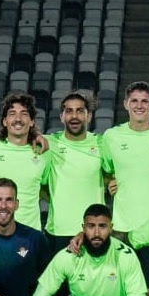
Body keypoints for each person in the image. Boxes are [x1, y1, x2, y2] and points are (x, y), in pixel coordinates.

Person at [100, 81, 149, 277]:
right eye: (134, 101)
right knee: (123, 292)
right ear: (125, 104)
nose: (139, 106)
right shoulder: (111, 137)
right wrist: (109, 181)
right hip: (122, 230)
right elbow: (106, 170)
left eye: (145, 101)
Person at [0, 93, 51, 230]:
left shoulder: (43, 153)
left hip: (30, 236)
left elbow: (46, 189)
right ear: (4, 121)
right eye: (12, 114)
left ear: (32, 121)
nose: (18, 119)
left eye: (24, 114)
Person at [45, 91, 107, 241]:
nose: (74, 116)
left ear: (89, 116)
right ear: (61, 117)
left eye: (80, 111)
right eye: (69, 111)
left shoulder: (102, 143)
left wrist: (113, 181)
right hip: (58, 232)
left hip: (94, 232)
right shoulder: (48, 143)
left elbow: (114, 173)